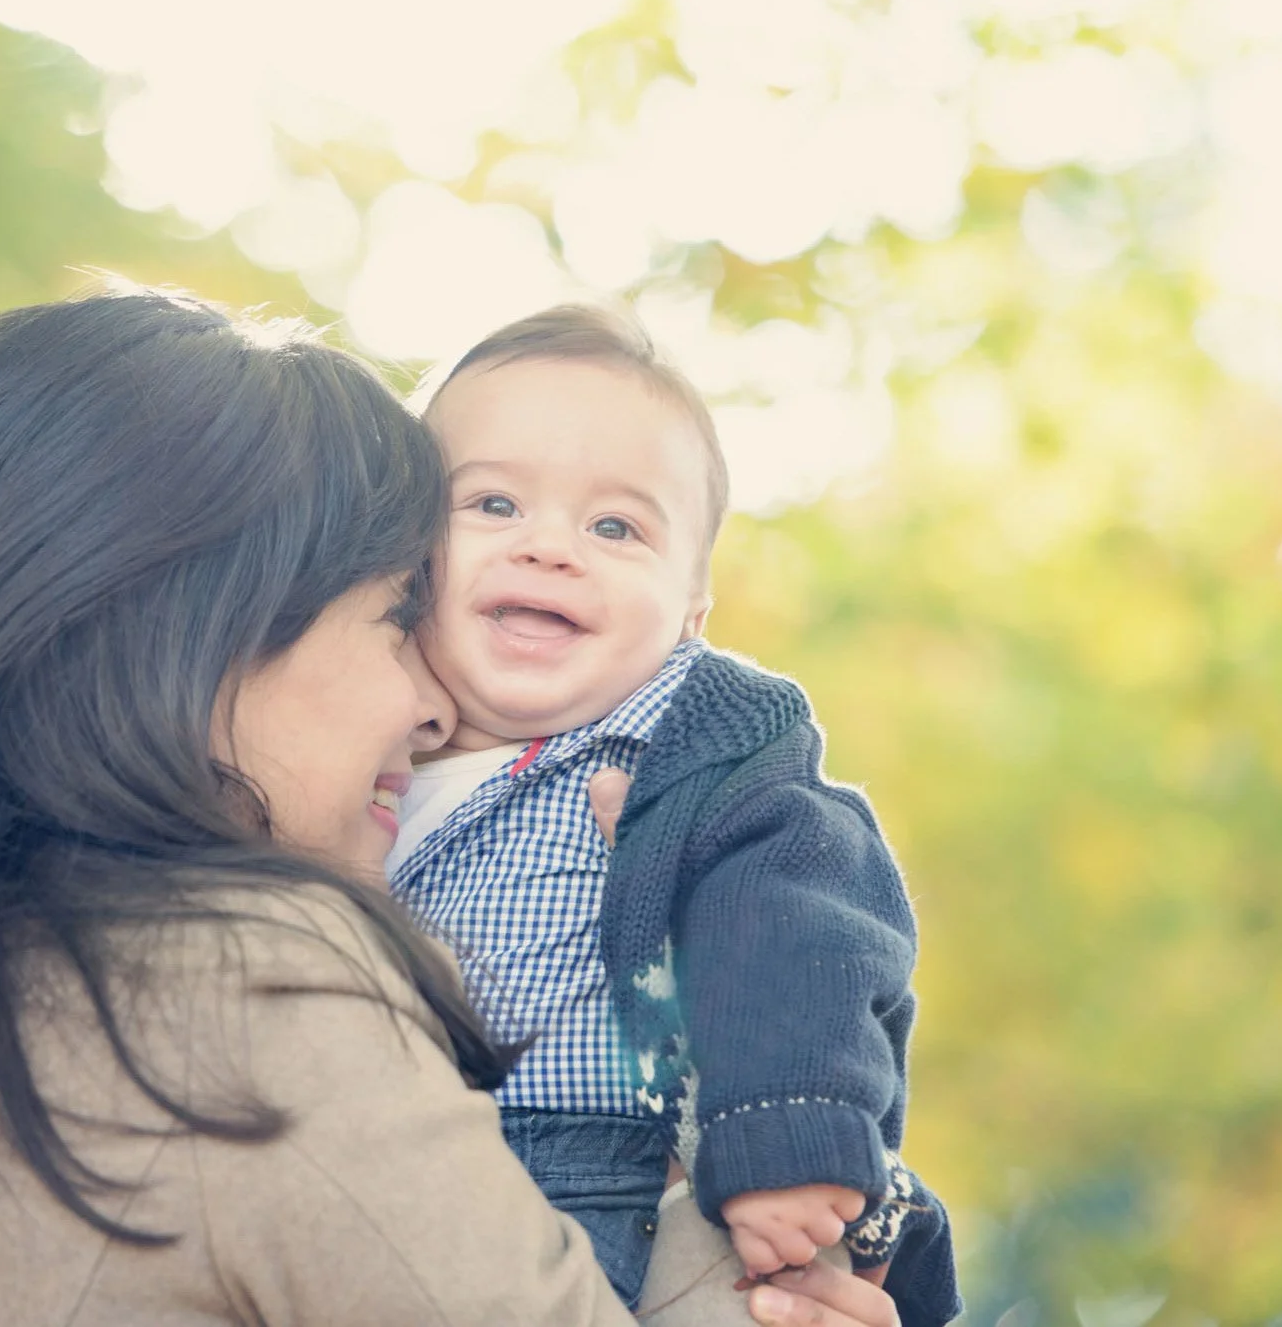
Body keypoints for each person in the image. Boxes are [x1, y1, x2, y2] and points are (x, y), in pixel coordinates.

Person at [0, 287, 906, 1327]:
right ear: (204, 643)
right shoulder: (240, 982)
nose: (431, 709)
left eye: (618, 528)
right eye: (394, 619)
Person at [385, 304, 961, 1322]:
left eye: (615, 526)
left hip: (609, 1168)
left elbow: (798, 921)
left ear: (691, 610)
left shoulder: (696, 744)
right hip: (386, 1168)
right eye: (491, 504)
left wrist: (785, 1133)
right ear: (396, 548)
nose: (550, 547)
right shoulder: (357, 738)